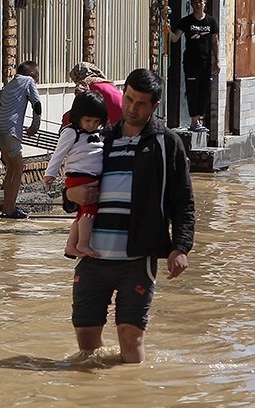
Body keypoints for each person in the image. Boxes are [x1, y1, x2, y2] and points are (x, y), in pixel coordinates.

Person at [65, 68, 195, 364]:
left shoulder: (167, 144)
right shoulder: (102, 138)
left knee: (130, 337)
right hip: (93, 255)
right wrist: (70, 196)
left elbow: (183, 201)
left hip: (138, 258)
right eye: (128, 99)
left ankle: (133, 403)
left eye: (140, 103)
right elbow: (74, 184)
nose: (131, 108)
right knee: (87, 344)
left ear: (154, 107)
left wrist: (181, 247)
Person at [43, 91, 107, 259]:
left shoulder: (101, 133)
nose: (92, 125)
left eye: (96, 121)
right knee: (90, 209)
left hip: (92, 176)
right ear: (78, 117)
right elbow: (59, 153)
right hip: (79, 176)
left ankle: (71, 247)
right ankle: (83, 244)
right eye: (87, 121)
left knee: (81, 214)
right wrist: (50, 173)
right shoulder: (71, 132)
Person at [0, 60, 42, 219]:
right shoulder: (28, 81)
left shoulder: (9, 85)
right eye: (37, 74)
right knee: (18, 169)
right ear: (32, 73)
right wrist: (35, 126)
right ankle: (10, 209)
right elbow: (37, 104)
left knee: (10, 169)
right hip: (11, 131)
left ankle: (7, 208)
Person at [170, 0, 220, 132]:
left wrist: (217, 61)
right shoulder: (186, 21)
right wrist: (165, 27)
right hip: (191, 63)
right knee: (192, 91)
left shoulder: (211, 22)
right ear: (192, 4)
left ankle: (199, 120)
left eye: (200, 2)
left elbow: (215, 41)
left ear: (205, 3)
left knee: (204, 92)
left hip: (206, 63)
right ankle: (194, 121)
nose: (198, 5)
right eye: (195, 2)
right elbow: (175, 38)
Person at [60, 62, 123, 130]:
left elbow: (80, 108)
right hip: (124, 115)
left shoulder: (85, 84)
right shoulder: (107, 83)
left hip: (111, 120)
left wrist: (65, 120)